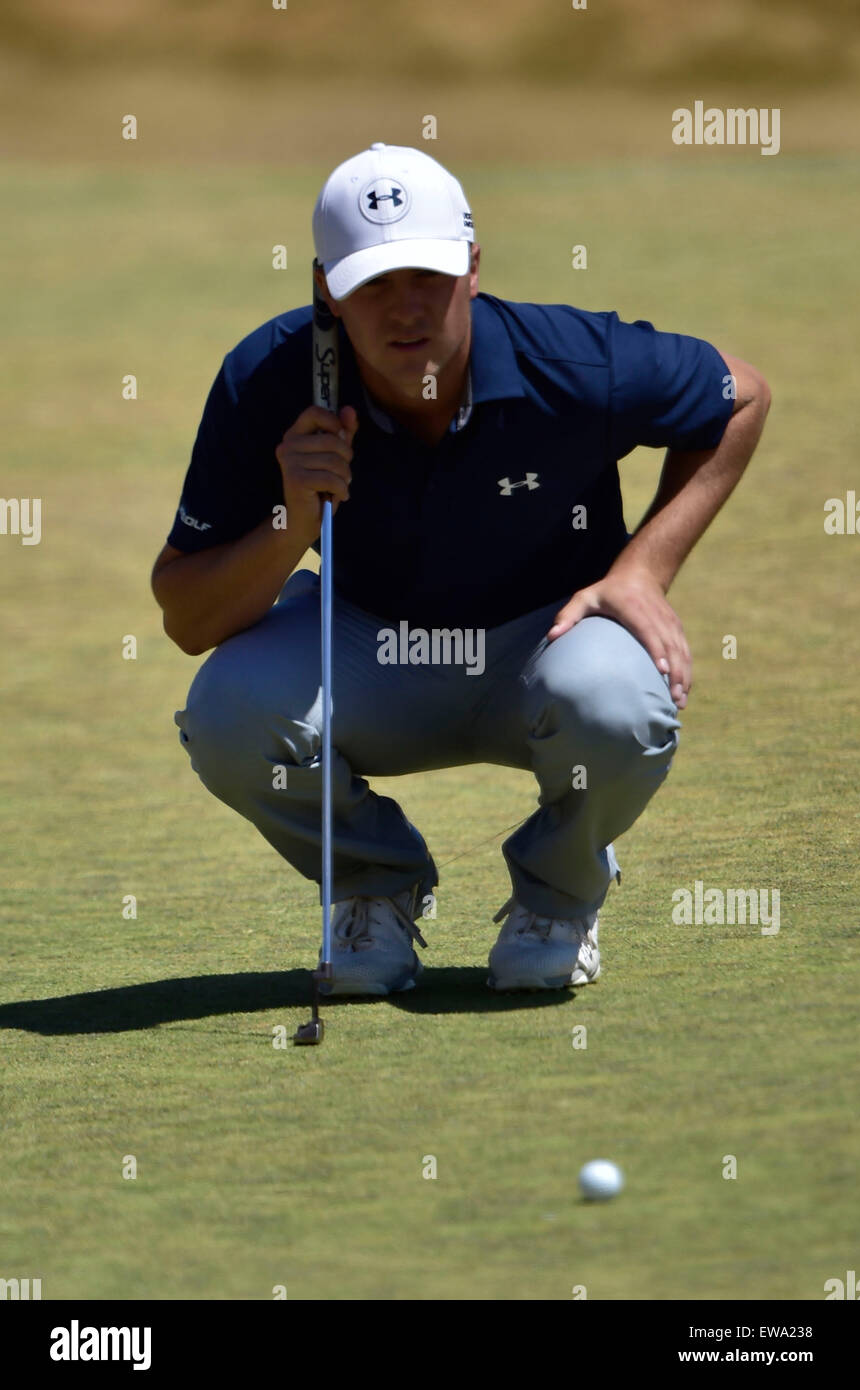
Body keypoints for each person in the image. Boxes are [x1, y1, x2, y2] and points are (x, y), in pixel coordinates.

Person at [151, 142, 770, 996]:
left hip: (545, 644)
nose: (405, 310)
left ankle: (557, 895)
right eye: (372, 282)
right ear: (326, 287)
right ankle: (374, 883)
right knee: (228, 713)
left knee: (618, 701)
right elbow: (187, 619)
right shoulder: (267, 378)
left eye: (427, 278)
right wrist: (291, 514)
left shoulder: (575, 362)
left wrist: (642, 570)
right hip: (369, 644)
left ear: (473, 269)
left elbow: (739, 395)